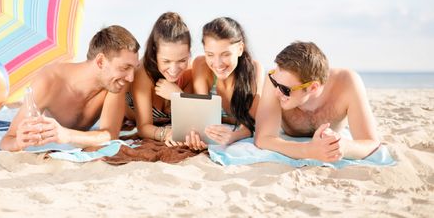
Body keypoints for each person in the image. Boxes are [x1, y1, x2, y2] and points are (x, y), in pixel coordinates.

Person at [0, 25, 140, 152]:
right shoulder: (49, 80)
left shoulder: (114, 84)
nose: (130, 78)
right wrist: (18, 143)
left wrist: (67, 135)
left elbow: (110, 134)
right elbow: (7, 140)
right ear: (100, 61)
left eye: (133, 68)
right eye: (125, 67)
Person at [254, 41, 380, 161]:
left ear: (313, 87)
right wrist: (308, 151)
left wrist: (343, 147)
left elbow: (370, 143)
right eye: (275, 82)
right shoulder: (276, 81)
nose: (276, 92)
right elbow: (263, 139)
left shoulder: (347, 83)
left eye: (285, 89)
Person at [190, 17, 264, 149]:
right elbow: (202, 117)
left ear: (240, 49)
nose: (217, 63)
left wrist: (232, 136)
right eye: (210, 54)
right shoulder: (200, 65)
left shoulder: (254, 70)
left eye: (225, 54)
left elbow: (250, 125)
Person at [127, 12, 193, 146]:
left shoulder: (190, 73)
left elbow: (192, 120)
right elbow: (144, 127)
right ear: (154, 53)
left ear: (189, 52)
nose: (174, 70)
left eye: (182, 60)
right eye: (166, 61)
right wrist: (166, 134)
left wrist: (179, 96)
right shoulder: (143, 73)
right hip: (129, 118)